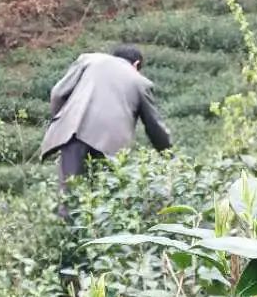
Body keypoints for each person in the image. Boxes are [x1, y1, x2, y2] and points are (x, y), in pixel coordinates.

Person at [38, 45, 171, 212]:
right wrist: (168, 155)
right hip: (111, 145)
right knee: (107, 199)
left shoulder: (89, 60)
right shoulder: (140, 82)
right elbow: (154, 127)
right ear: (136, 64)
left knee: (69, 196)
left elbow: (57, 93)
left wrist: (60, 122)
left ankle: (68, 234)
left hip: (73, 131)